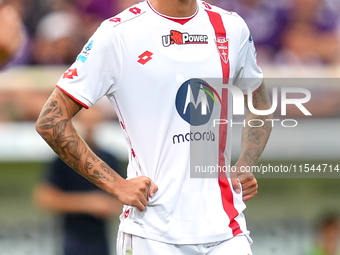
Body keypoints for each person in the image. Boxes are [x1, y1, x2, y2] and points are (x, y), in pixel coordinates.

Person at [36, 0, 273, 254]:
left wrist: (245, 163)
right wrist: (116, 184)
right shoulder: (118, 34)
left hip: (227, 231)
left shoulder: (231, 27)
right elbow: (51, 120)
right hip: (152, 234)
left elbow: (261, 106)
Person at [34, 105, 123, 255]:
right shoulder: (64, 158)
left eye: (94, 120)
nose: (90, 126)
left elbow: (122, 199)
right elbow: (45, 198)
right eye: (86, 121)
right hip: (72, 240)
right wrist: (88, 203)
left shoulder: (109, 158)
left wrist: (108, 205)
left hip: (101, 241)